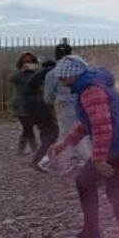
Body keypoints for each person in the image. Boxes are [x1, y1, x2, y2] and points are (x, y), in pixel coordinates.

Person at [48, 56, 119, 238]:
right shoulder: (93, 83)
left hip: (118, 146)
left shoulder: (90, 91)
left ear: (71, 75)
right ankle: (102, 234)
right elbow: (89, 122)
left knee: (111, 190)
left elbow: (102, 127)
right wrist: (66, 143)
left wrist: (99, 159)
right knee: (92, 183)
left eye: (63, 78)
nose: (61, 82)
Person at [44, 42, 91, 172]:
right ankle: (74, 161)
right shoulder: (81, 69)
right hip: (85, 104)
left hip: (68, 109)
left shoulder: (53, 74)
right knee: (76, 134)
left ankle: (93, 166)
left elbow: (48, 99)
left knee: (76, 137)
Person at [22, 56, 60, 172]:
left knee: (46, 131)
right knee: (52, 132)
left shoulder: (39, 74)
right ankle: (37, 161)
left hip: (31, 105)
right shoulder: (50, 74)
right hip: (39, 104)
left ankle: (49, 160)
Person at [10, 52, 41, 156]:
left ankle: (22, 150)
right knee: (27, 126)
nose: (28, 63)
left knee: (28, 126)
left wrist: (37, 71)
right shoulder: (17, 71)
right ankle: (34, 149)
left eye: (30, 61)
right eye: (26, 61)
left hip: (32, 102)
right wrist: (22, 71)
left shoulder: (36, 72)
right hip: (20, 103)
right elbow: (12, 80)